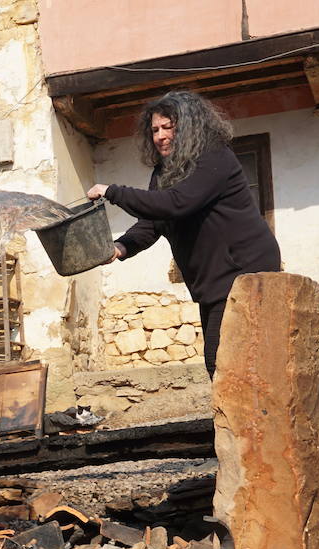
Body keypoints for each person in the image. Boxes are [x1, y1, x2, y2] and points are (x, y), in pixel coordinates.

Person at [86, 90, 281, 376]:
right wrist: (120, 247)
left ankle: (250, 419)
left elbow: (177, 203)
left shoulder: (215, 157)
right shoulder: (164, 171)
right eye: (154, 130)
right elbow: (153, 222)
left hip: (244, 270)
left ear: (189, 126)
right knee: (221, 361)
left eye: (168, 127)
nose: (160, 136)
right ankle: (238, 420)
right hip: (213, 280)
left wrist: (114, 192)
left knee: (226, 361)